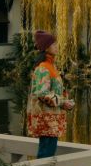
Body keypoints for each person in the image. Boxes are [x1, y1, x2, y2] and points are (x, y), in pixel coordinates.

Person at [27, 30, 74, 158]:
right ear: (46, 48)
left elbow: (54, 91)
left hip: (52, 119)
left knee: (48, 153)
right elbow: (42, 93)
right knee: (45, 154)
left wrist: (65, 102)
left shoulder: (51, 66)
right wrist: (63, 102)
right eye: (54, 44)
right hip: (46, 119)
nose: (57, 46)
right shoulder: (43, 67)